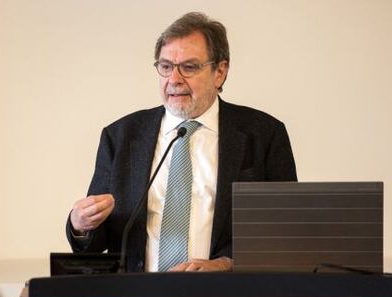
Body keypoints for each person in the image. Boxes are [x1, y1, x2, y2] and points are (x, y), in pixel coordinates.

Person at [66, 12, 297, 272]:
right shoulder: (121, 136)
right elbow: (97, 241)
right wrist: (80, 225)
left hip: (227, 294)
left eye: (189, 67)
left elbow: (281, 231)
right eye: (165, 67)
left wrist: (226, 264)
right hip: (139, 296)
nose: (174, 79)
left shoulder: (264, 134)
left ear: (220, 72)